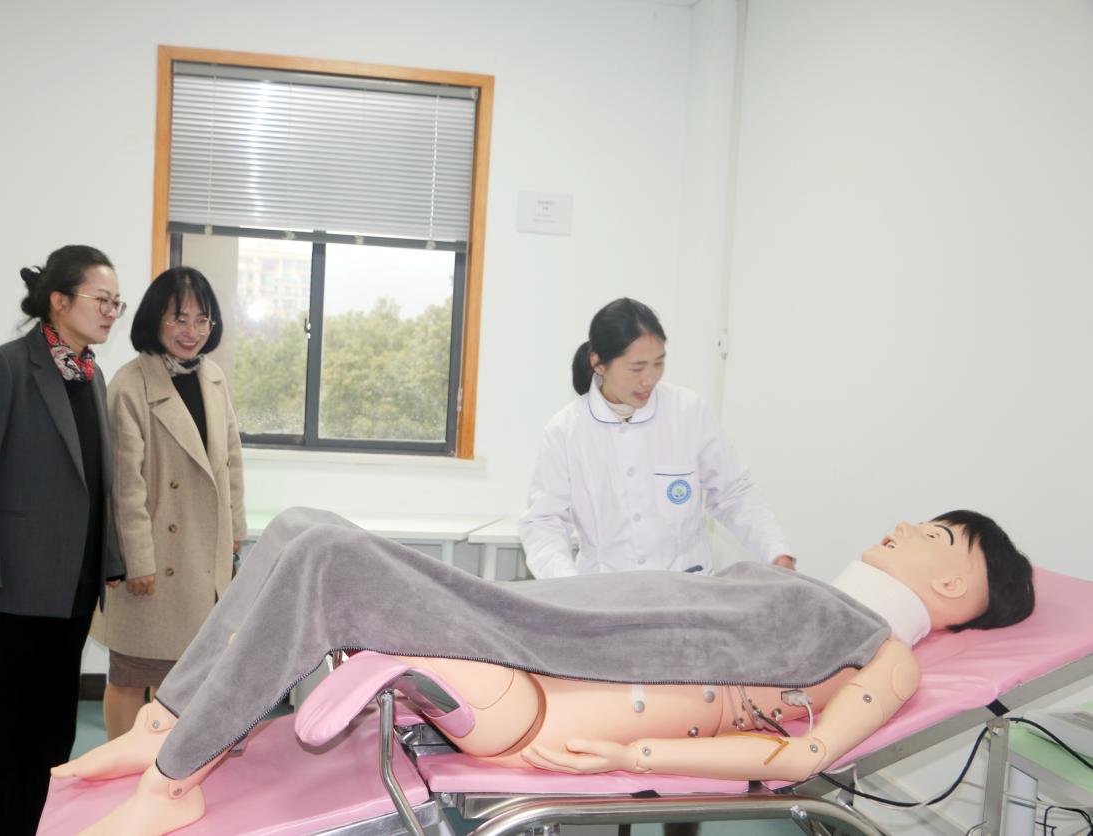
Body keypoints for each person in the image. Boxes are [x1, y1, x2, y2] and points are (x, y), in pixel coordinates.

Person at [52, 507, 1034, 835]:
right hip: (548, 627)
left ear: (957, 578)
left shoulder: (883, 648)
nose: (905, 526)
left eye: (935, 532)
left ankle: (175, 779)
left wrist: (631, 755)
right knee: (303, 528)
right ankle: (169, 721)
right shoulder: (802, 588)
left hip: (549, 679)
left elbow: (800, 760)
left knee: (327, 560)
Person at [0, 245, 127, 835]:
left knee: (51, 733)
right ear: (59, 301)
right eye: (102, 300)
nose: (111, 311)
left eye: (116, 303)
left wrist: (109, 560)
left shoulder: (90, 375)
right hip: (8, 587)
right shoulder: (5, 367)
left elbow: (97, 481)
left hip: (70, 588)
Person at [520, 298, 795, 578]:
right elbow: (544, 523)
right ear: (598, 363)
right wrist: (569, 584)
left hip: (687, 586)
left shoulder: (687, 411)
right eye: (637, 368)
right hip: (605, 589)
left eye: (658, 363)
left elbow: (733, 493)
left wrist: (776, 551)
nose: (649, 379)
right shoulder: (566, 430)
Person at [90, 266, 246, 740]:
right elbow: (125, 486)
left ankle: (164, 766)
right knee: (130, 674)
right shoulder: (130, 385)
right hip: (153, 558)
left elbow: (231, 462)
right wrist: (138, 561)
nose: (191, 332)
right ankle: (120, 763)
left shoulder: (213, 378)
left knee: (183, 676)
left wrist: (234, 535)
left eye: (202, 320)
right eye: (179, 319)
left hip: (203, 554)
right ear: (155, 319)